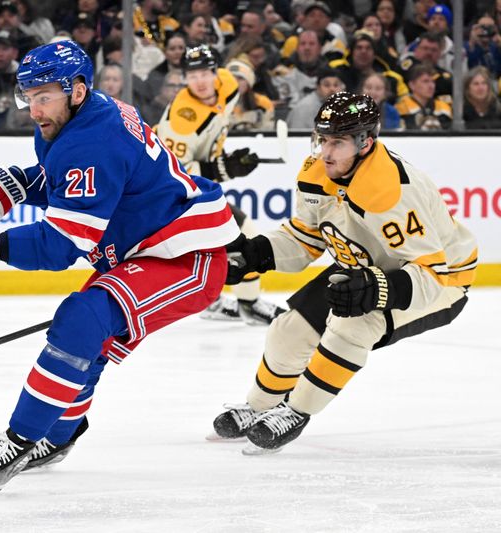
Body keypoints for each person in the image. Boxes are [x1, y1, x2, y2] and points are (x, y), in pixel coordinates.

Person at [0, 39, 237, 492]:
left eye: (44, 96)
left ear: (78, 90)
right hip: (144, 249)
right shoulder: (80, 117)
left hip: (184, 255)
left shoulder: (95, 138)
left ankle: (21, 441)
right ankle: (58, 434)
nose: (34, 109)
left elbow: (61, 244)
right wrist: (11, 187)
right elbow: (67, 179)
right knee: (87, 338)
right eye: (28, 96)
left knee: (82, 320)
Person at [209, 91, 477, 454]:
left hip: (441, 280)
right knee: (289, 329)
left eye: (337, 142)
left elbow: (433, 273)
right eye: (322, 139)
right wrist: (257, 253)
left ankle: (296, 411)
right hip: (366, 265)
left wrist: (377, 288)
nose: (326, 152)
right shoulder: (317, 171)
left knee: (353, 326)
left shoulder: (390, 190)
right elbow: (305, 239)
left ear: (366, 142)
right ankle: (260, 405)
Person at [155, 45, 285, 325]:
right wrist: (223, 168)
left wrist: (223, 161)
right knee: (243, 234)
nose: (199, 81)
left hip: (191, 186)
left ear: (216, 72)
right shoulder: (182, 119)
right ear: (184, 78)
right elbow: (174, 175)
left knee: (212, 245)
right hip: (166, 191)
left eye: (204, 73)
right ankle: (247, 304)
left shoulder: (227, 83)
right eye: (192, 75)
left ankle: (214, 301)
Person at [395, 64, 452, 130]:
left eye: (433, 82)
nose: (431, 86)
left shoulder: (444, 107)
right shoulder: (401, 108)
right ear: (412, 85)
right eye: (425, 81)